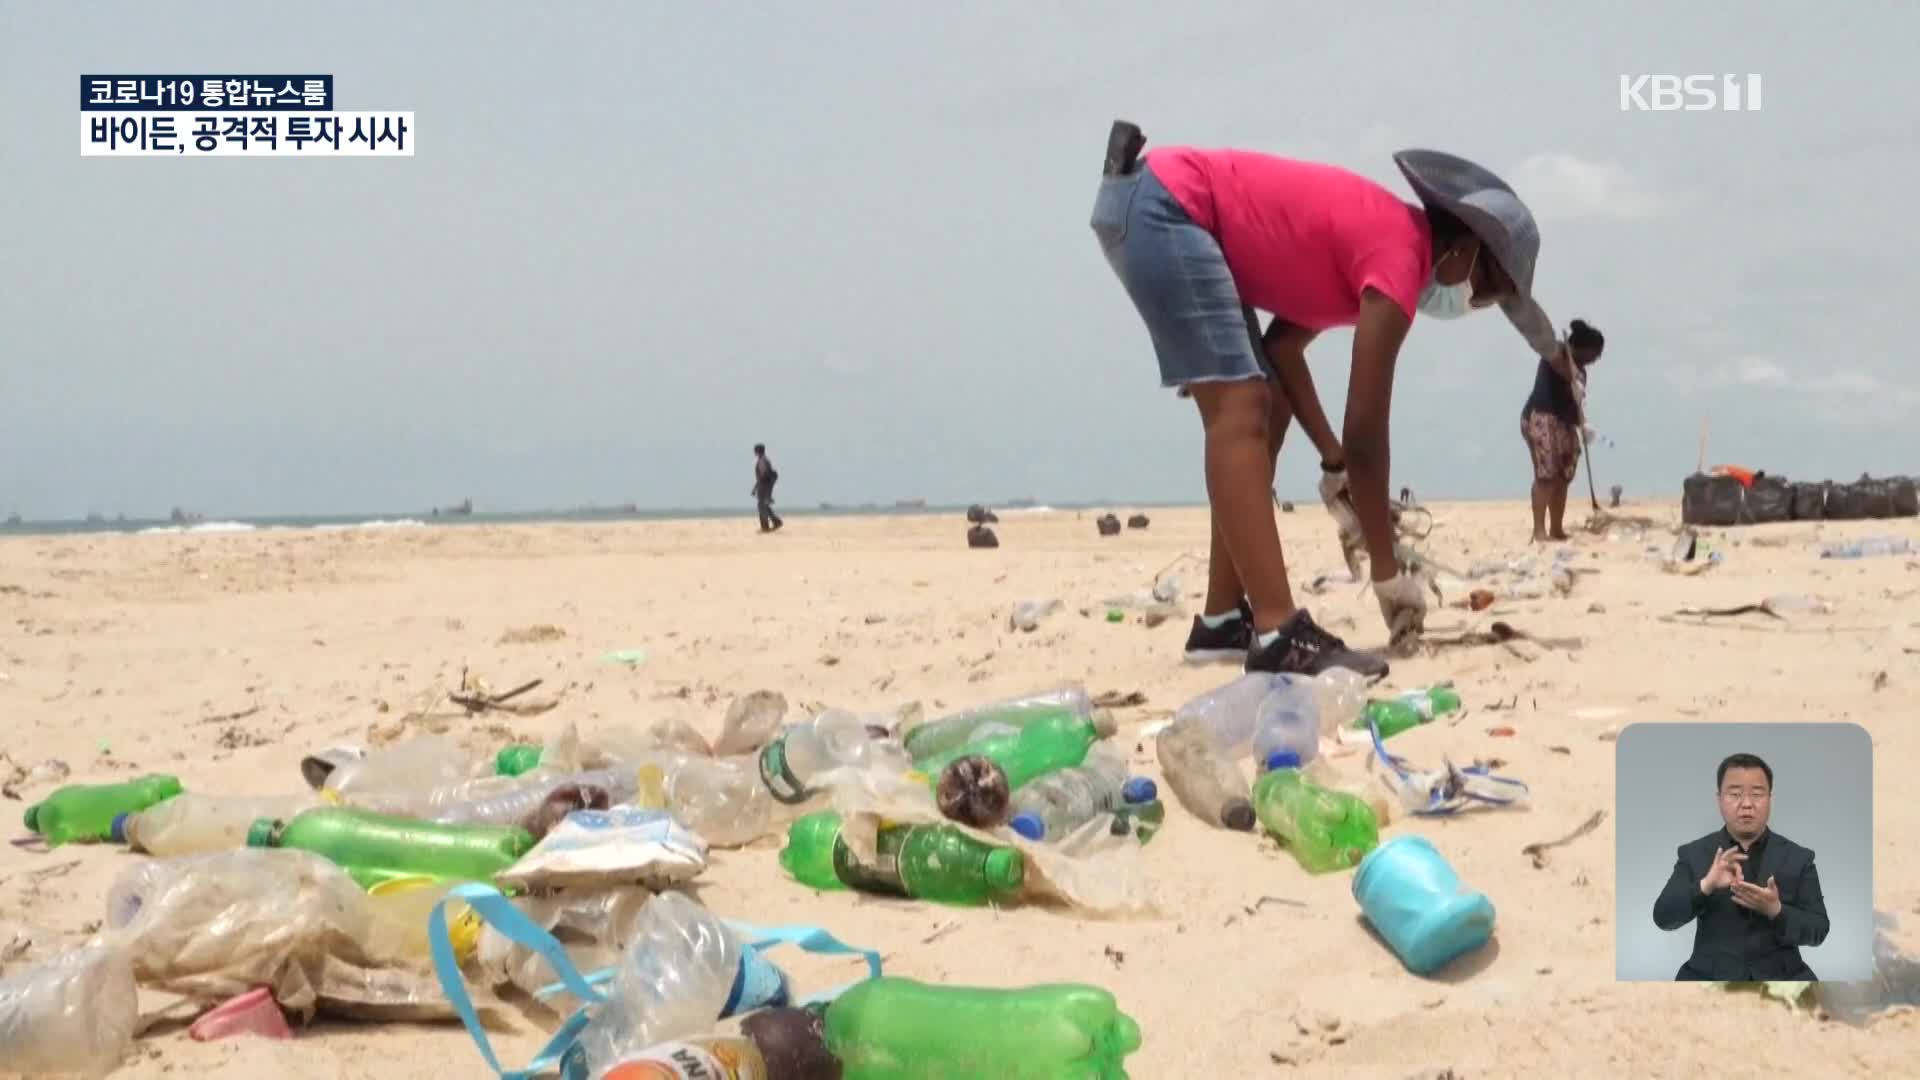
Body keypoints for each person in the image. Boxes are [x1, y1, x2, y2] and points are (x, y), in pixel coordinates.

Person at [1089, 124, 1573, 676]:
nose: (1477, 304)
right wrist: (1389, 575)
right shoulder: (1399, 256)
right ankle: (1278, 633)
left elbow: (1283, 355)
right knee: (1241, 410)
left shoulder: (1372, 248)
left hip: (1151, 200)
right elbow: (1368, 437)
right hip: (1167, 207)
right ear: (1463, 248)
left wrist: (1331, 459)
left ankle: (1222, 622)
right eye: (1486, 288)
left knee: (1259, 403)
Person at [1651, 753, 1829, 981]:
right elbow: (1663, 917)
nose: (1746, 804)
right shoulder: (1694, 854)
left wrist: (1777, 911)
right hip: (1710, 979)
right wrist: (1706, 885)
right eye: (1735, 794)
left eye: (1757, 794)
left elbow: (1819, 930)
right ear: (1719, 799)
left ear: (1770, 798)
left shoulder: (1798, 858)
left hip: (1783, 979)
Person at [1520, 318, 1604, 541]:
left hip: (1565, 421)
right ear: (1583, 348)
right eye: (1594, 354)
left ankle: (1556, 528)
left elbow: (1575, 403)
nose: (1596, 359)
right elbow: (1561, 372)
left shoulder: (1582, 373)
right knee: (1546, 475)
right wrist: (1571, 375)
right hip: (1542, 416)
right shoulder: (1556, 355)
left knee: (1563, 476)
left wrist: (1582, 424)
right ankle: (1539, 530)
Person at [752, 444, 783, 533]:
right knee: (764, 506)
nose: (754, 452)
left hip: (764, 486)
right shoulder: (765, 460)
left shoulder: (762, 461)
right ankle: (776, 522)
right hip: (765, 485)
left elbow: (763, 475)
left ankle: (765, 526)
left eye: (755, 450)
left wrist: (756, 487)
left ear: (758, 451)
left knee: (761, 506)